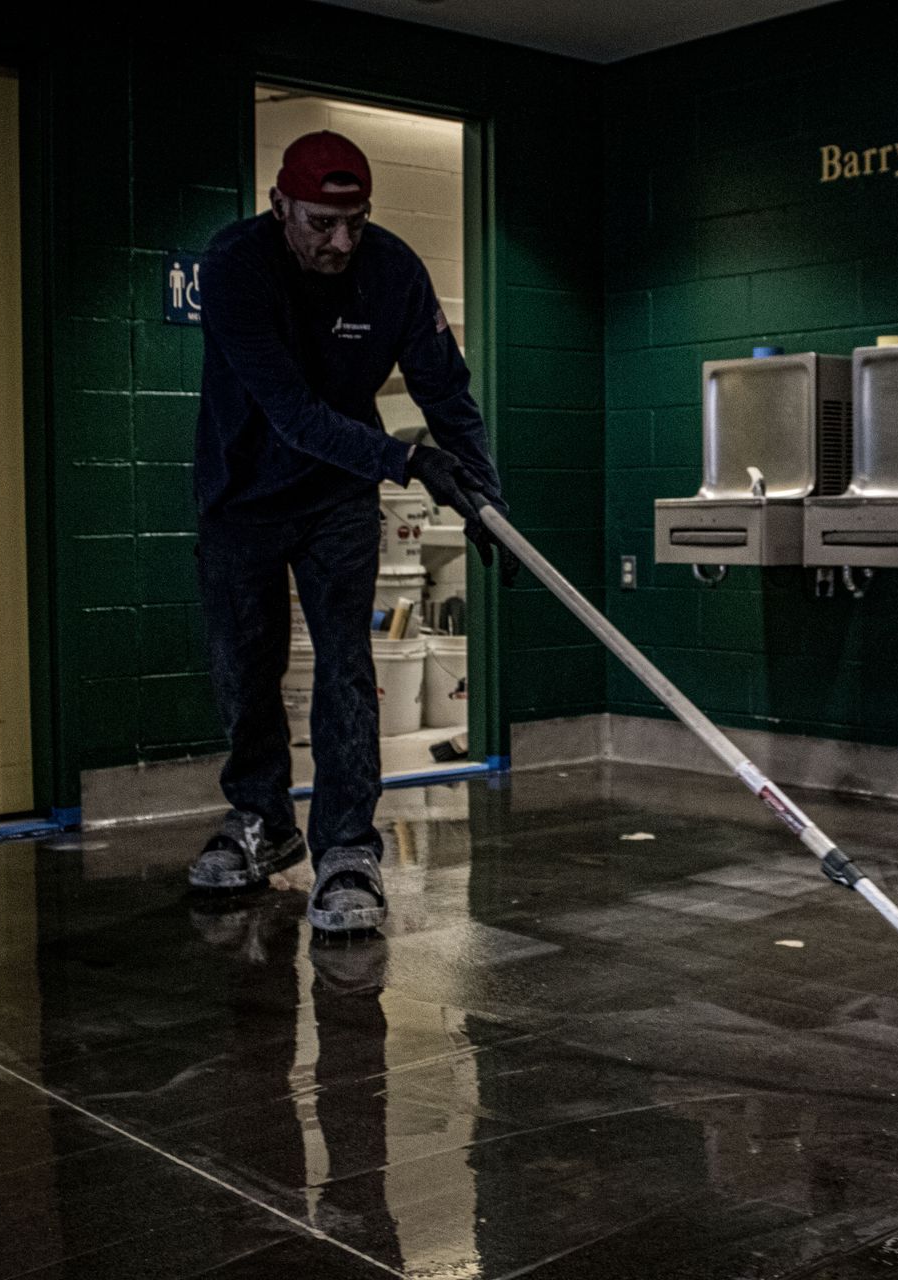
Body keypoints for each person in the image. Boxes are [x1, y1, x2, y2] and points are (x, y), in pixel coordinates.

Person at [189, 130, 503, 933]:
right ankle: (262, 821)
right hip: (241, 494)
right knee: (245, 668)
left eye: (354, 223)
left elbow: (446, 389)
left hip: (336, 500)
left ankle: (347, 849)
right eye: (320, 224)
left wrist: (483, 501)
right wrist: (408, 461)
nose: (339, 242)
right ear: (280, 207)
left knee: (345, 668)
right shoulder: (234, 267)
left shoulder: (392, 270)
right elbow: (292, 415)